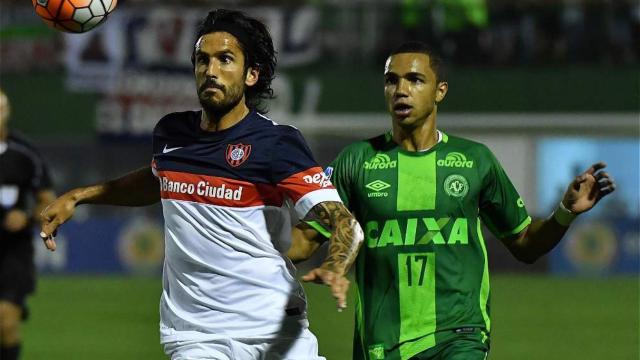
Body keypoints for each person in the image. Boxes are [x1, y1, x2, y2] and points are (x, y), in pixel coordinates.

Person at [39, 9, 363, 360]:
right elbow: (159, 181)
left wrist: (336, 265)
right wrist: (80, 196)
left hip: (277, 330)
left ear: (251, 74)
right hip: (197, 337)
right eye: (202, 60)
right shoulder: (171, 133)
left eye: (225, 59)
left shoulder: (276, 143)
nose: (211, 70)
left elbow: (343, 221)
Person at [288, 41, 616, 360]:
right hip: (383, 341)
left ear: (439, 91)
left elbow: (525, 244)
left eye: (415, 80)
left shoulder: (475, 160)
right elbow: (304, 241)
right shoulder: (356, 161)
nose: (401, 90)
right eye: (392, 80)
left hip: (461, 335)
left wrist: (564, 213)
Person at [0, 88, 56, 360]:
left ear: (7, 113)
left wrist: (26, 215)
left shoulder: (24, 154)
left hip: (12, 252)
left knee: (5, 323)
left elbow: (48, 203)